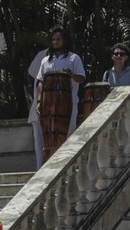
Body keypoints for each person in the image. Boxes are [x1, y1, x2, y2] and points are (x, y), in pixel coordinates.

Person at [27, 28, 86, 166]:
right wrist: (40, 101)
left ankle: (68, 165)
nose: (55, 42)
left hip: (68, 102)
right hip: (48, 104)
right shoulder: (45, 60)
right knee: (48, 135)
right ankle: (46, 165)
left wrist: (72, 75)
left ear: (64, 40)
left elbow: (82, 78)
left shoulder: (73, 58)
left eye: (58, 39)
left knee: (68, 133)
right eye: (53, 40)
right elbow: (40, 81)